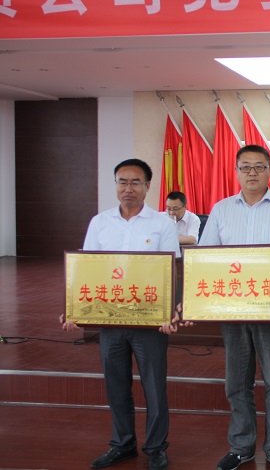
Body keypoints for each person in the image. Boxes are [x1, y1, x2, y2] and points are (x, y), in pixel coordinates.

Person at [60, 158, 181, 470]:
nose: (128, 188)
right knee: (115, 385)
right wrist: (73, 308)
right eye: (122, 182)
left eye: (135, 182)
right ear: (115, 185)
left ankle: (156, 447)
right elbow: (86, 269)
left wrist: (170, 312)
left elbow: (171, 270)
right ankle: (122, 444)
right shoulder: (100, 223)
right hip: (110, 318)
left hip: (150, 320)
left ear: (147, 186)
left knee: (154, 386)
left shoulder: (162, 224)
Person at [199, 145, 270, 470]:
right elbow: (205, 257)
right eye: (245, 167)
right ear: (236, 172)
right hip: (232, 309)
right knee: (236, 383)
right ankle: (241, 446)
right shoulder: (221, 210)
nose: (252, 173)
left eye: (259, 166)